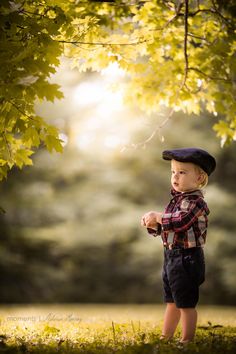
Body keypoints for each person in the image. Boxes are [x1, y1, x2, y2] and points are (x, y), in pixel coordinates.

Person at [141, 148, 216, 344]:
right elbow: (169, 227)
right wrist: (154, 224)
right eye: (173, 172)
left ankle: (187, 340)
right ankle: (165, 337)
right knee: (172, 300)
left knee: (186, 303)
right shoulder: (176, 201)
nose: (176, 176)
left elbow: (181, 221)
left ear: (199, 178)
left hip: (187, 258)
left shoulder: (196, 202)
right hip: (171, 257)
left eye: (182, 172)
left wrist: (159, 217)